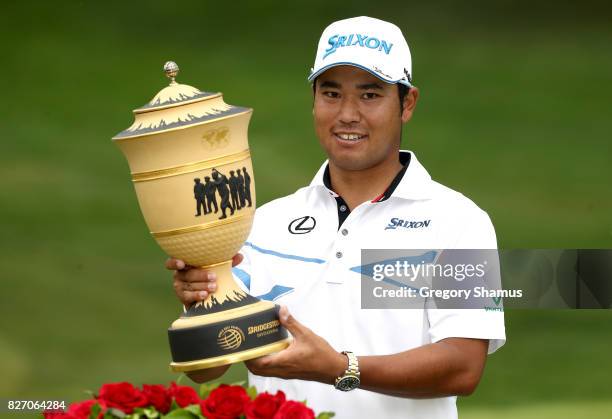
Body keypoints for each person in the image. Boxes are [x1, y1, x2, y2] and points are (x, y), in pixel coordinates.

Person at [166, 16, 505, 419]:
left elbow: (463, 366)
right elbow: (209, 368)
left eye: (370, 95)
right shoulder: (263, 223)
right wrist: (201, 303)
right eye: (331, 93)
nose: (347, 114)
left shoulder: (460, 222)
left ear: (407, 103)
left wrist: (341, 368)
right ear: (313, 101)